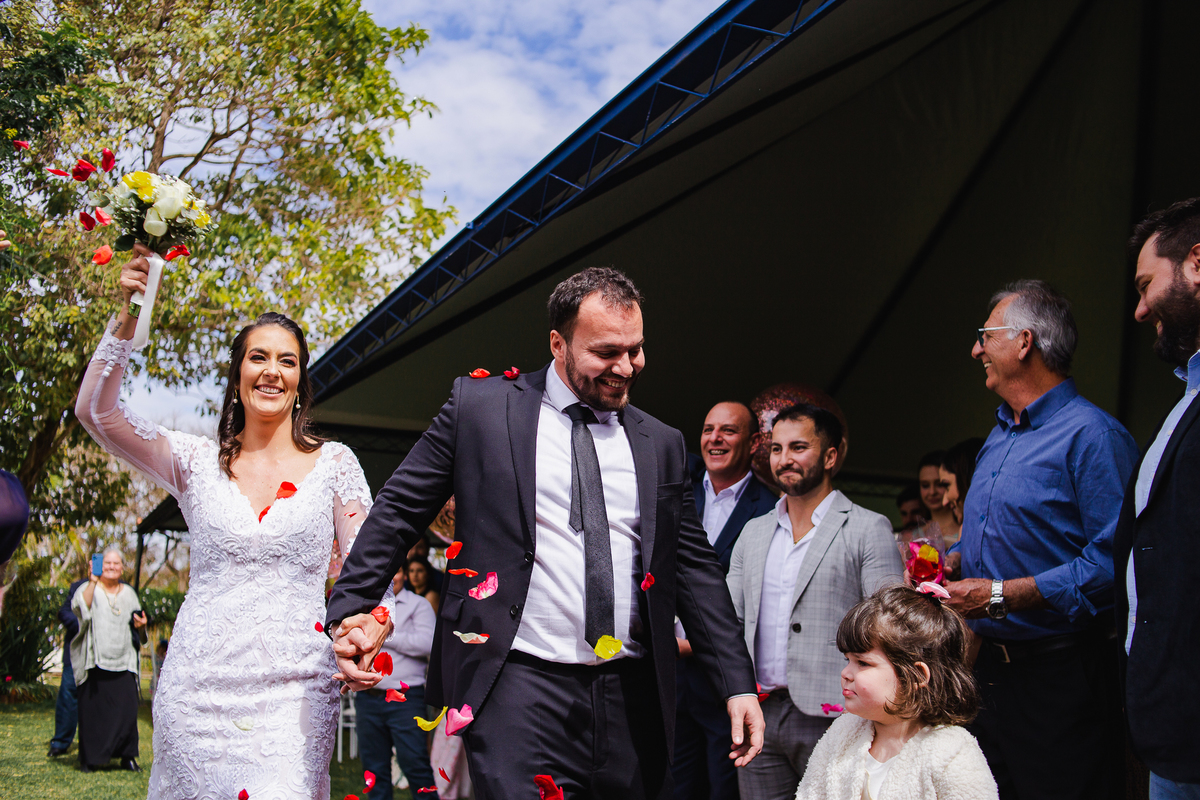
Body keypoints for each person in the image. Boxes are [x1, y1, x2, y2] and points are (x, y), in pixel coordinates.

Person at [327, 267, 764, 800]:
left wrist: (736, 683)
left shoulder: (663, 443)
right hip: (518, 686)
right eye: (606, 352)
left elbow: (692, 568)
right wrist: (351, 606)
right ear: (558, 343)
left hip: (633, 696)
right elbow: (399, 508)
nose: (626, 367)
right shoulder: (480, 408)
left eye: (636, 349)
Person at [75, 244, 393, 798]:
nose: (272, 371)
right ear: (238, 374)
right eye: (258, 357)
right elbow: (96, 412)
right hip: (196, 689)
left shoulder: (336, 465)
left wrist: (368, 628)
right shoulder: (194, 462)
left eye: (287, 361)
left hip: (295, 691)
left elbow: (370, 570)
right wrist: (129, 314)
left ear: (300, 381)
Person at [945, 280, 1138, 800]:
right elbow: (1010, 537)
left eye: (985, 336)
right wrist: (952, 561)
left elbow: (1114, 566)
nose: (976, 350)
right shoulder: (999, 434)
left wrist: (999, 595)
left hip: (1061, 677)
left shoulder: (1095, 436)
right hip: (990, 674)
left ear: (1024, 342)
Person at [726, 403, 904, 800]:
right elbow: (727, 618)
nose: (784, 459)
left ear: (830, 456)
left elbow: (891, 626)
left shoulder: (868, 527)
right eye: (776, 448)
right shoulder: (753, 532)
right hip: (759, 709)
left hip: (840, 711)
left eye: (798, 447)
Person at [1118, 199, 1200, 798]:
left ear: (1197, 263)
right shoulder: (1184, 400)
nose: (1140, 309)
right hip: (1173, 724)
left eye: (1147, 285)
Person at [794, 584, 998, 800]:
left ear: (917, 675)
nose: (845, 673)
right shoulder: (841, 735)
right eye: (848, 660)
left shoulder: (952, 754)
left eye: (863, 663)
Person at [675, 400, 776, 800]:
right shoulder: (676, 487)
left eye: (728, 431)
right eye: (708, 429)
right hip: (667, 675)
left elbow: (759, 597)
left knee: (723, 789)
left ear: (753, 443)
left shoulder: (769, 508)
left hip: (722, 682)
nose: (714, 439)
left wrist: (691, 644)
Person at [356, 572, 440, 800]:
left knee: (416, 764)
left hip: (406, 699)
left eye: (398, 570)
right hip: (367, 698)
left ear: (404, 574)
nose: (393, 576)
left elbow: (427, 643)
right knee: (374, 771)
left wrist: (386, 634)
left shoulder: (418, 604)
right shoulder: (364, 607)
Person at [70, 548, 146, 772]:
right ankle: (91, 759)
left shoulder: (129, 593)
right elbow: (80, 609)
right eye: (107, 563)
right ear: (99, 566)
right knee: (93, 712)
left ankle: (127, 757)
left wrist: (142, 626)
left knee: (127, 713)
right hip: (96, 658)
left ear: (122, 568)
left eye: (116, 563)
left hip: (124, 659)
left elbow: (138, 628)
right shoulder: (88, 588)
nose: (112, 567)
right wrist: (93, 582)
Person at [48, 576, 89, 757]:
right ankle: (60, 742)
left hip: (104, 655)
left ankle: (96, 744)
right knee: (68, 694)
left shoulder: (120, 588)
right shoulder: (77, 587)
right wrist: (84, 625)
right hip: (75, 652)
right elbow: (64, 612)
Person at [917, 451, 960, 550]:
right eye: (925, 485)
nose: (932, 492)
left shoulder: (965, 531)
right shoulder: (914, 536)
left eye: (940, 484)